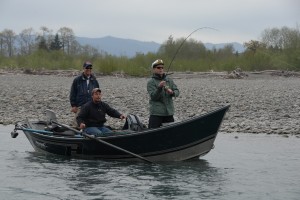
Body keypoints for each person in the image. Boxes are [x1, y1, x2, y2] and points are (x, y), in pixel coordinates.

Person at [147, 59, 180, 129]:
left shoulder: (169, 80)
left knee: (171, 134)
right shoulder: (151, 82)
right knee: (152, 134)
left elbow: (177, 91)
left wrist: (172, 92)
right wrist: (159, 87)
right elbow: (153, 97)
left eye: (162, 67)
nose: (161, 69)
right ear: (153, 69)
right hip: (156, 113)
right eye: (158, 68)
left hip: (169, 112)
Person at [70, 61, 100, 126]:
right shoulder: (77, 80)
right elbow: (73, 93)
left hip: (92, 106)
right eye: (87, 68)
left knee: (91, 124)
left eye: (90, 68)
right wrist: (73, 105)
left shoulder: (94, 81)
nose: (89, 69)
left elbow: (98, 94)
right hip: (81, 106)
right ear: (83, 68)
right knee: (76, 125)